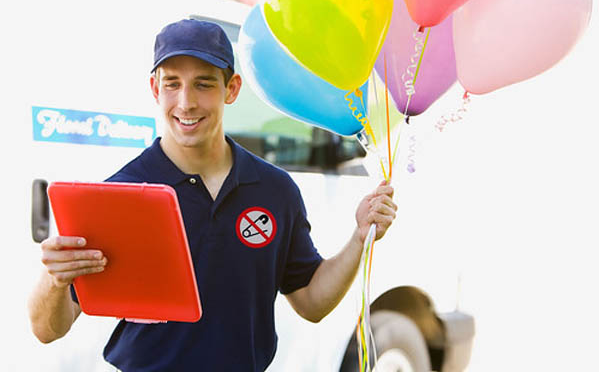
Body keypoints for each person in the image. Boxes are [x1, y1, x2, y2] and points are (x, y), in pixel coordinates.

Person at [28, 19, 397, 372]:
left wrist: (359, 238)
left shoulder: (274, 190)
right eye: (172, 84)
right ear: (156, 89)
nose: (186, 102)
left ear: (232, 88)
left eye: (203, 84)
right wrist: (55, 280)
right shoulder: (120, 194)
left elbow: (312, 302)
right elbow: (47, 330)